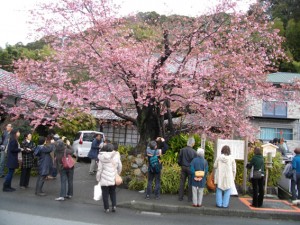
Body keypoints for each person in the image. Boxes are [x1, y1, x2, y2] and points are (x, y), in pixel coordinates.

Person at [96, 143, 122, 213]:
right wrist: (117, 174)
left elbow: (99, 169)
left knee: (105, 194)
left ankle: (106, 208)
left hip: (104, 179)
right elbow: (120, 166)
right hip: (113, 177)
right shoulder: (116, 155)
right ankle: (114, 206)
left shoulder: (102, 157)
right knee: (113, 192)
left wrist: (98, 178)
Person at [54, 137, 74, 201]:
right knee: (70, 180)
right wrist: (68, 144)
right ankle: (69, 194)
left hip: (62, 167)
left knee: (63, 181)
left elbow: (56, 159)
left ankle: (62, 196)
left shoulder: (56, 150)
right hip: (70, 167)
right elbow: (72, 151)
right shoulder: (66, 150)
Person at [177, 137, 197, 202]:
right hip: (190, 168)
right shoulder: (194, 152)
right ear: (193, 144)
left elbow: (179, 160)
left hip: (183, 167)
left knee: (182, 182)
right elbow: (195, 162)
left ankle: (180, 197)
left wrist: (181, 165)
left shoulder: (182, 150)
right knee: (190, 183)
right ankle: (189, 198)